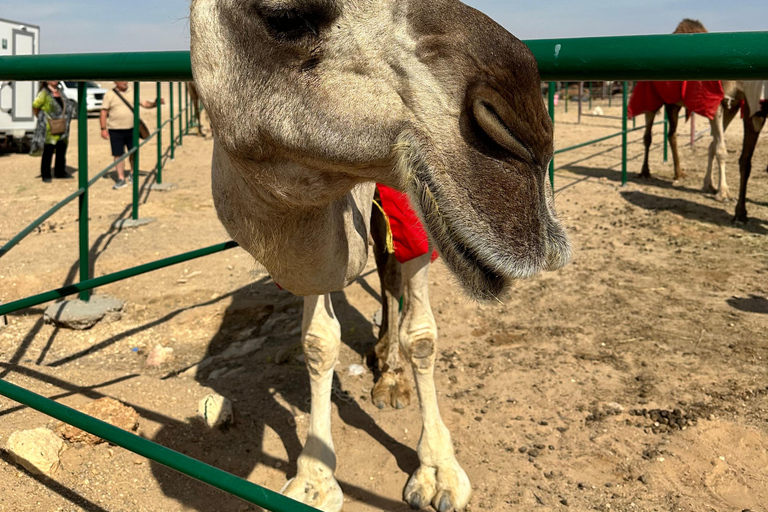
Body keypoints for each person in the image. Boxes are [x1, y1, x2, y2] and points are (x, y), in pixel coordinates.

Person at [100, 81, 163, 190]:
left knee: (133, 152)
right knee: (118, 155)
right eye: (122, 80)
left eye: (126, 80)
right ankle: (120, 178)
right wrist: (103, 128)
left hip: (132, 129)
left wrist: (154, 103)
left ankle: (133, 172)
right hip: (115, 129)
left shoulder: (133, 92)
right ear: (115, 82)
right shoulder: (109, 94)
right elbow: (104, 112)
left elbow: (144, 104)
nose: (125, 82)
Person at [31, 81, 74, 183]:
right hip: (49, 129)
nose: (54, 80)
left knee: (61, 150)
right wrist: (42, 118)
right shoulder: (44, 93)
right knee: (48, 152)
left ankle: (60, 172)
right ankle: (45, 174)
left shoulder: (61, 92)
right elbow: (35, 106)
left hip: (62, 128)